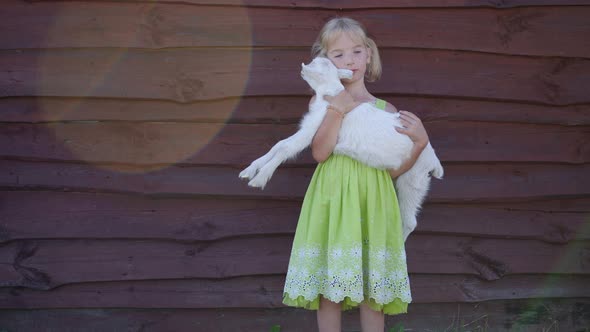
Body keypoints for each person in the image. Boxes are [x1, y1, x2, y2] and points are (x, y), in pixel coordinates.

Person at [281, 17, 430, 332]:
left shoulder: (385, 110)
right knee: (329, 290)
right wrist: (338, 108)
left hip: (373, 200)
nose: (350, 60)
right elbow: (320, 152)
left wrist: (419, 144)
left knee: (372, 289)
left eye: (357, 51)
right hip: (333, 198)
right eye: (339, 54)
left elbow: (391, 170)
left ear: (369, 55)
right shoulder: (323, 100)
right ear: (327, 61)